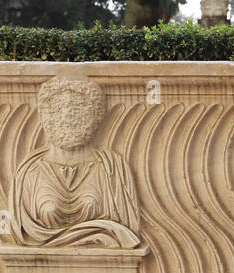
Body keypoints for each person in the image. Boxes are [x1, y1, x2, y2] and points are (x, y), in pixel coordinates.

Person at [8, 77, 141, 248]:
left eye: (77, 108)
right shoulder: (29, 171)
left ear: (96, 116)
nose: (67, 115)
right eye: (57, 108)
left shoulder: (113, 169)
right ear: (45, 116)